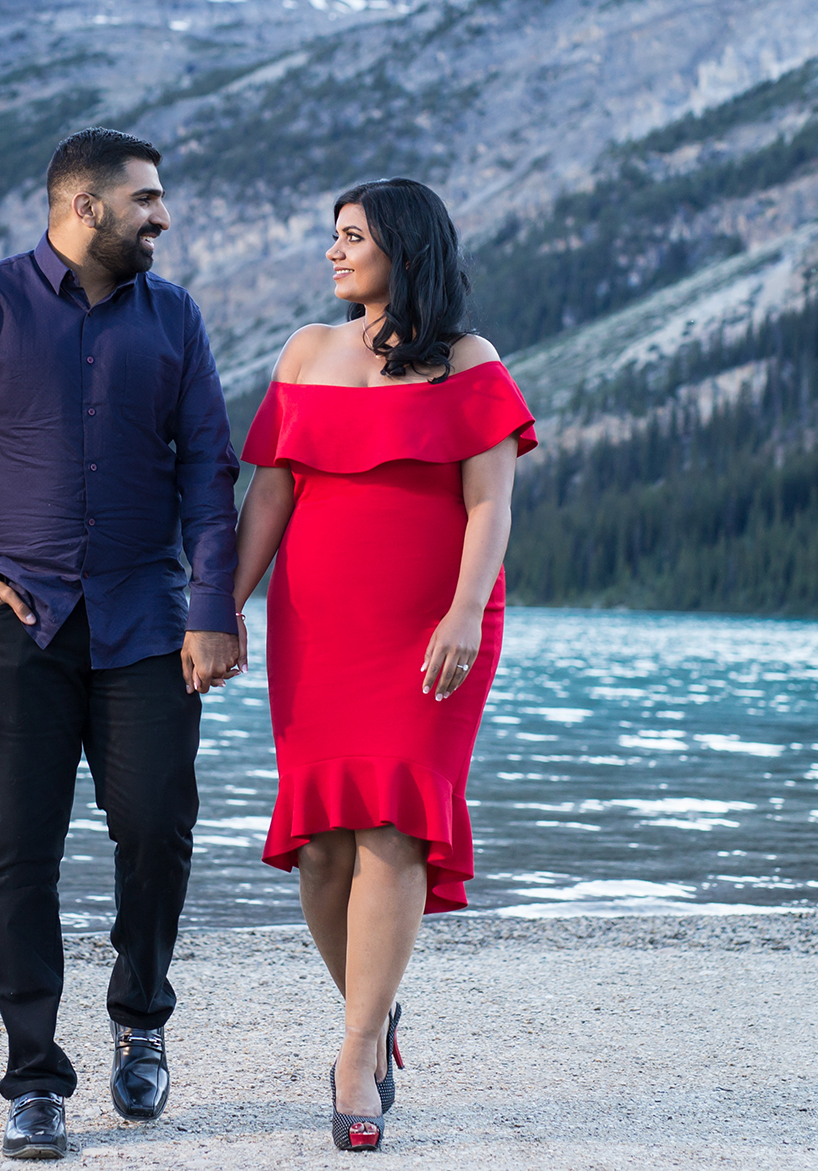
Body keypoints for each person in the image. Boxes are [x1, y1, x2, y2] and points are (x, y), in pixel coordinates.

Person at [0, 126, 246, 1162]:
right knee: (21, 846)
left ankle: (140, 1011)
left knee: (156, 823)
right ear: (83, 206)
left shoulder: (173, 316)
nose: (162, 216)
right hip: (22, 620)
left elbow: (207, 474)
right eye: (146, 199)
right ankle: (35, 1076)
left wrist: (213, 606)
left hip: (147, 621)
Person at [229, 177, 537, 1153]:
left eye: (350, 236)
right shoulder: (306, 352)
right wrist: (222, 604)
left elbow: (490, 503)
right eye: (332, 236)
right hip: (316, 624)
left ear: (402, 248)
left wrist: (460, 611)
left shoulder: (468, 360)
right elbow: (269, 497)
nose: (332, 252)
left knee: (395, 825)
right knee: (321, 843)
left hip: (434, 623)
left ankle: (357, 1048)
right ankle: (378, 1005)